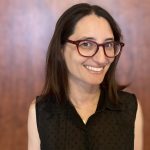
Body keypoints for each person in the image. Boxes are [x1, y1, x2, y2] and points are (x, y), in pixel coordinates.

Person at [28, 3, 143, 150]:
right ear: (61, 49)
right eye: (87, 44)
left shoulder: (130, 108)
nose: (102, 59)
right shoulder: (40, 112)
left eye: (108, 45)